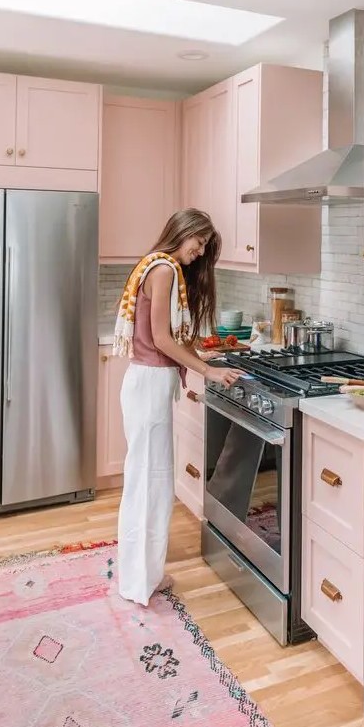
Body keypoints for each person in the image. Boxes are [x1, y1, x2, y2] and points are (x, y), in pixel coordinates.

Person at [113, 208, 243, 606]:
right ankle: (139, 581)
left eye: (204, 246)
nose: (199, 252)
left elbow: (168, 336)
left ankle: (143, 574)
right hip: (149, 386)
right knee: (150, 483)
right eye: (198, 242)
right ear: (182, 232)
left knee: (147, 481)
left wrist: (200, 357)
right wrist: (208, 371)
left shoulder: (157, 265)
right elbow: (162, 339)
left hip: (147, 385)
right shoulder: (164, 269)